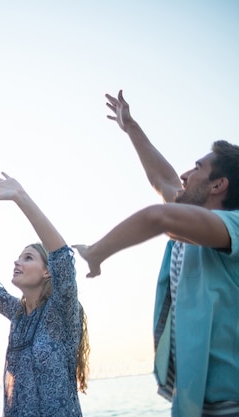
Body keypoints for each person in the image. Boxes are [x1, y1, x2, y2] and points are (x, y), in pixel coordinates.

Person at [74, 90, 239, 416]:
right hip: (194, 405)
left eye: (197, 168)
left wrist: (96, 252)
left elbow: (158, 217)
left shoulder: (231, 226)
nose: (184, 175)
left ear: (218, 185)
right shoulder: (196, 227)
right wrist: (131, 127)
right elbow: (162, 179)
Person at [0, 173, 90, 417]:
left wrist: (21, 198)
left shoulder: (60, 311)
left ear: (48, 271)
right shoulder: (19, 315)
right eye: (19, 257)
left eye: (28, 258)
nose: (17, 262)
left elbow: (62, 257)